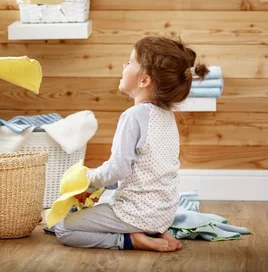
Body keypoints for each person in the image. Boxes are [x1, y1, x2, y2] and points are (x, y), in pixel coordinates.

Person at [53, 36, 209, 252]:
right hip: (164, 212)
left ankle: (131, 240)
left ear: (144, 80)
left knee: (63, 228)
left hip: (136, 213)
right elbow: (144, 170)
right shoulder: (166, 116)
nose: (124, 65)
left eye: (130, 61)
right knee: (111, 202)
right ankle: (155, 230)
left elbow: (118, 170)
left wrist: (88, 179)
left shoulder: (133, 116)